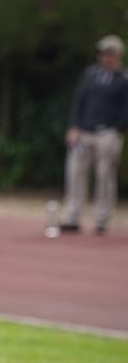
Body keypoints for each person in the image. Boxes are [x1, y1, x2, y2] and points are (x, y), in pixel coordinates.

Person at [61, 35, 128, 234]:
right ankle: (72, 216)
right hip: (84, 132)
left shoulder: (124, 78)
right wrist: (74, 126)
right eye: (103, 53)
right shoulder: (90, 74)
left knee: (105, 176)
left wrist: (116, 129)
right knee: (75, 173)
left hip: (107, 133)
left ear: (117, 55)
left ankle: (102, 219)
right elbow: (78, 101)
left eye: (109, 53)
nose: (105, 57)